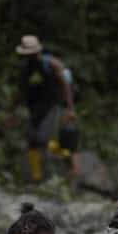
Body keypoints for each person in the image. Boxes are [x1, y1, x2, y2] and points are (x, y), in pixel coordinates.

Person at [11, 35, 76, 182]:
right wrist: (11, 111)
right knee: (32, 141)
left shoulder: (52, 64)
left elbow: (66, 86)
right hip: (34, 108)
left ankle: (68, 163)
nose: (28, 57)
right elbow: (19, 91)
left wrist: (70, 108)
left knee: (43, 139)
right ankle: (36, 177)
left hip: (52, 106)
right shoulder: (25, 69)